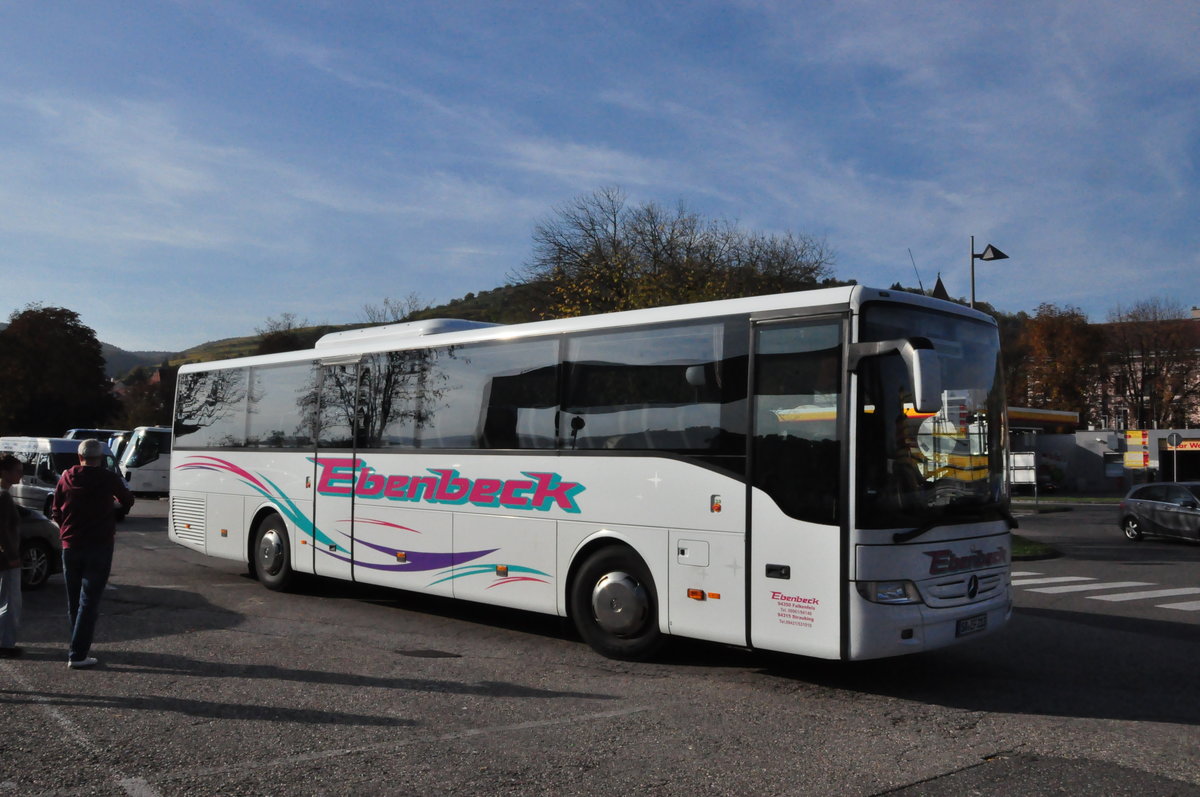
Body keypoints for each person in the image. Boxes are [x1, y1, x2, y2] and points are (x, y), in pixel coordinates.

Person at [51, 439, 135, 669]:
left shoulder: (67, 477)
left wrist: (64, 528)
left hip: (71, 544)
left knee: (74, 600)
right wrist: (118, 506)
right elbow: (127, 500)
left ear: (79, 457)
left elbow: (56, 509)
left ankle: (76, 644)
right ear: (101, 458)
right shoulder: (107, 478)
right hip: (99, 544)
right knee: (89, 600)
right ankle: (77, 654)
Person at [0, 454, 24, 658]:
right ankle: (5, 643)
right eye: (17, 471)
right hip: (7, 559)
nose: (21, 475)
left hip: (5, 557)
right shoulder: (3, 496)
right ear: (4, 473)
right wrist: (11, 555)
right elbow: (3, 530)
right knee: (10, 600)